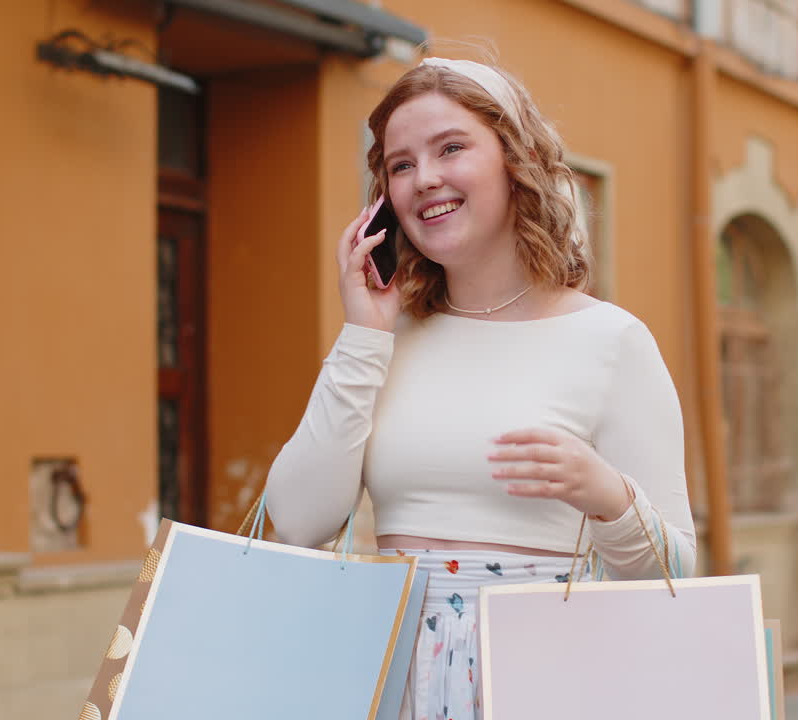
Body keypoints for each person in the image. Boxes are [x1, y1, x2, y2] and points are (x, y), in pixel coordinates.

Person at [264, 57, 696, 720]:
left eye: (452, 148)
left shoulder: (614, 342)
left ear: (515, 161)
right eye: (400, 165)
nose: (425, 179)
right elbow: (294, 524)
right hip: (400, 683)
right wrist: (363, 336)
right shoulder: (382, 339)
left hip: (553, 682)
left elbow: (675, 576)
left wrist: (604, 494)